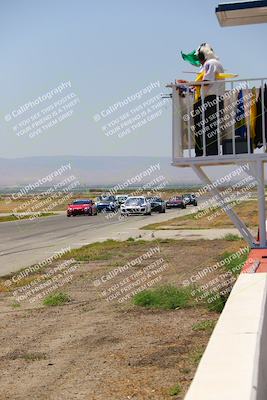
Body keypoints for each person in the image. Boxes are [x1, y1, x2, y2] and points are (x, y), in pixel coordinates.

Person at [181, 43, 225, 156]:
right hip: (208, 98)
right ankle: (203, 151)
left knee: (209, 126)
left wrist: (190, 84)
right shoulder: (213, 63)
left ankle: (210, 152)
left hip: (211, 98)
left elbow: (206, 82)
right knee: (206, 126)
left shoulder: (210, 63)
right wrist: (189, 84)